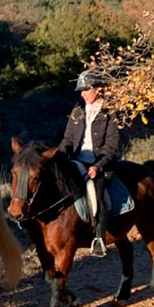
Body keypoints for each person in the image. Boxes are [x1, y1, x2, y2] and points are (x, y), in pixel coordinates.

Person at [57, 70, 120, 256]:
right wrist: (58, 159)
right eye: (81, 90)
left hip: (100, 164)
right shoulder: (77, 110)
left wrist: (98, 166)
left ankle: (100, 238)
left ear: (98, 89)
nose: (82, 94)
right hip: (77, 161)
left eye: (85, 89)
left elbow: (111, 145)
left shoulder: (111, 112)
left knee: (96, 195)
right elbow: (67, 139)